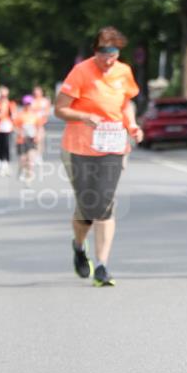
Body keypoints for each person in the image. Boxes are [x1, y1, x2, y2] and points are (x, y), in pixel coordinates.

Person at [54, 27, 143, 287]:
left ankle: (102, 266)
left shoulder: (123, 72)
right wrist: (84, 116)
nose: (108, 61)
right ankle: (79, 247)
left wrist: (133, 125)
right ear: (96, 51)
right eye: (104, 55)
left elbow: (126, 103)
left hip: (113, 144)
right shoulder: (81, 72)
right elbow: (59, 109)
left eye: (113, 55)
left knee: (104, 203)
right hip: (79, 146)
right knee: (87, 207)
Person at [14, 94, 42, 183]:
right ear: (24, 104)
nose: (28, 105)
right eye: (26, 104)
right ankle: (21, 170)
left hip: (31, 139)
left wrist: (38, 136)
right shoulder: (20, 115)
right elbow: (14, 127)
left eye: (29, 104)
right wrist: (19, 132)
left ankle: (29, 177)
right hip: (21, 140)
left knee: (30, 159)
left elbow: (39, 127)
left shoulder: (35, 116)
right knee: (23, 159)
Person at [30, 85, 52, 158]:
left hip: (42, 122)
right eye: (35, 93)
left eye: (38, 93)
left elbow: (47, 112)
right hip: (32, 123)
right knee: (33, 139)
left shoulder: (45, 101)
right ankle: (34, 153)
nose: (36, 94)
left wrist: (43, 115)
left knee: (40, 139)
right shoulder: (31, 101)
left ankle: (39, 154)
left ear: (41, 93)